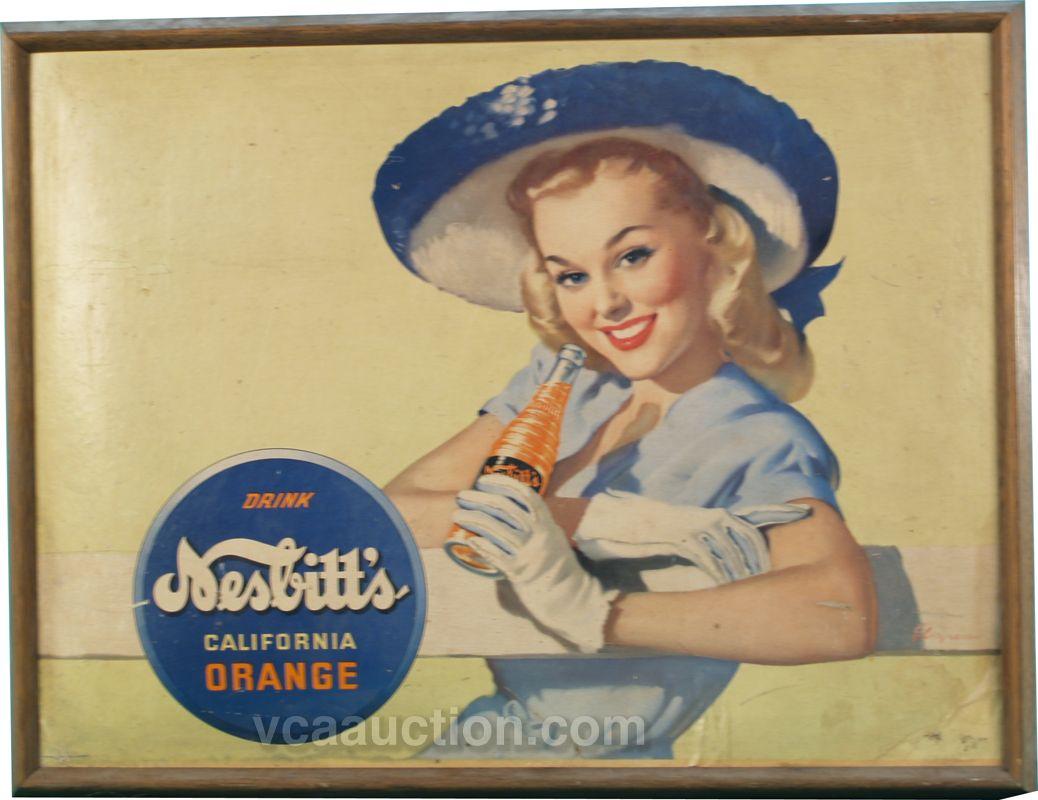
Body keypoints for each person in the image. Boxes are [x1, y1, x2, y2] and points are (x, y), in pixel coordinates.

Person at [373, 62, 876, 759]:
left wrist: (596, 609)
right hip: (488, 746)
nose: (604, 303)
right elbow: (390, 516)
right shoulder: (569, 386)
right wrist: (593, 522)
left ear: (715, 252)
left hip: (605, 771)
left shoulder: (755, 436)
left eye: (633, 255)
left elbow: (841, 614)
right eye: (572, 275)